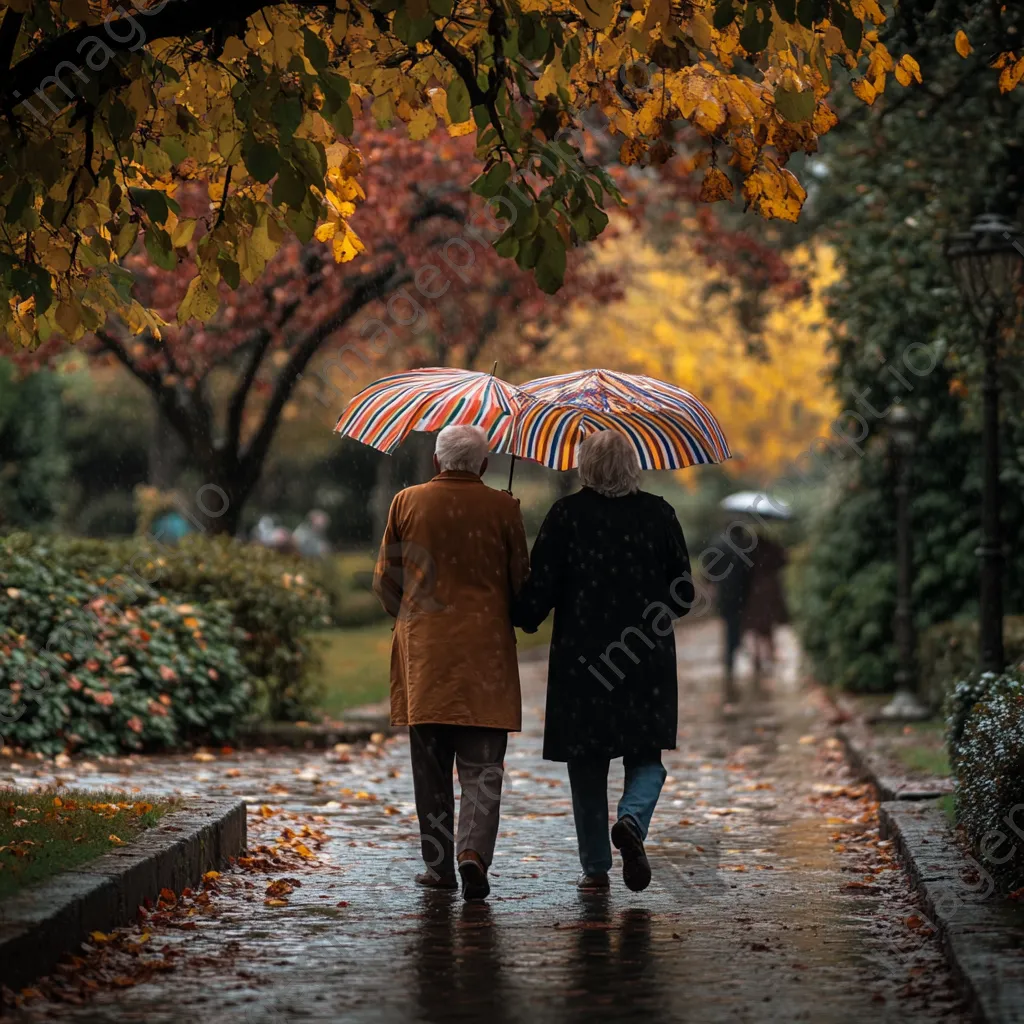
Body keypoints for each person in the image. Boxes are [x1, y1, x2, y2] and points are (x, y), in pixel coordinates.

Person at [513, 430, 694, 893]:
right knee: (646, 754)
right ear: (632, 465)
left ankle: (595, 868)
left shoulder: (566, 516)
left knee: (587, 763)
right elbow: (684, 594)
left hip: (582, 662)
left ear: (585, 468)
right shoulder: (659, 513)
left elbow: (541, 594)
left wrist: (519, 611)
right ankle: (632, 820)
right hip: (643, 658)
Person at [373, 425, 529, 901]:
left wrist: (408, 611)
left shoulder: (406, 502)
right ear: (483, 465)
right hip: (485, 654)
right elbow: (521, 582)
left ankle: (438, 866)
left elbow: (386, 579)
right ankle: (473, 855)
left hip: (426, 653)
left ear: (437, 462)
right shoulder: (504, 507)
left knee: (431, 765)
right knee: (483, 769)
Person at [740, 531, 789, 678]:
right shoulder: (772, 548)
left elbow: (743, 569)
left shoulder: (748, 549)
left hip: (753, 592)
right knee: (766, 627)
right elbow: (783, 561)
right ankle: (769, 656)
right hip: (768, 592)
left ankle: (758, 658)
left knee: (755, 627)